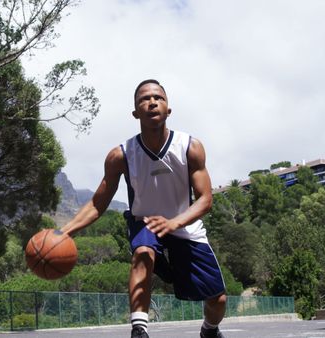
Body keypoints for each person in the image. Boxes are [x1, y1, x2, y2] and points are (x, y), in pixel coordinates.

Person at [60, 79, 227, 338]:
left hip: (184, 224)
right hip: (145, 221)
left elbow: (205, 199)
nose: (151, 102)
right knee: (143, 252)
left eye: (158, 98)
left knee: (218, 300)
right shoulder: (121, 155)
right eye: (144, 99)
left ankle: (209, 330)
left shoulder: (190, 147)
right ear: (135, 113)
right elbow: (97, 202)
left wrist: (174, 223)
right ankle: (139, 328)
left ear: (168, 109)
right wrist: (65, 231)